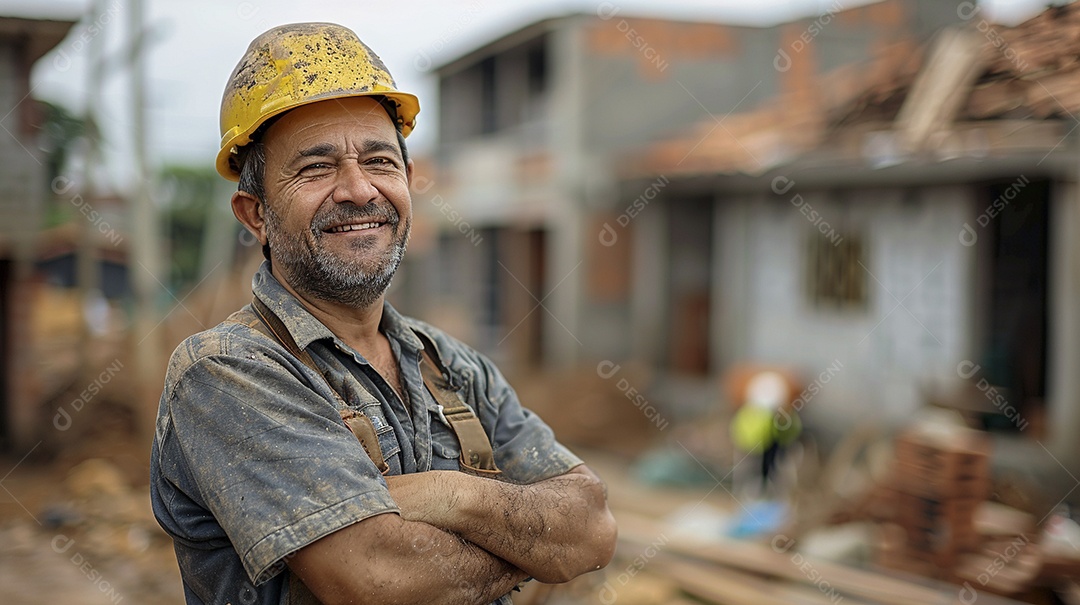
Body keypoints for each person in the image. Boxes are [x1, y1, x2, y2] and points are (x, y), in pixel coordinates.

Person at [149, 22, 617, 605]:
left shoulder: (452, 366)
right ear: (255, 214)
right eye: (316, 168)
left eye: (379, 161)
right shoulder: (226, 371)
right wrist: (534, 546)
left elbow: (592, 529)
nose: (358, 190)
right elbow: (377, 580)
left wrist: (452, 495)